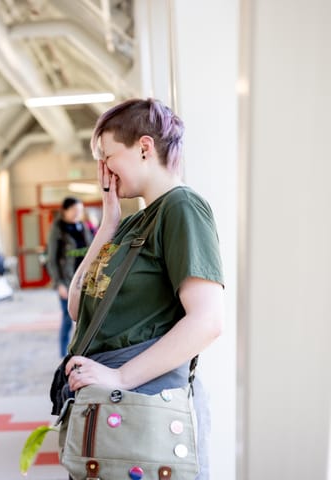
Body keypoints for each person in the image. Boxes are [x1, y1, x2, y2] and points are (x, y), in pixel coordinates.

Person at [64, 98, 224, 480]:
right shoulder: (135, 223)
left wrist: (120, 378)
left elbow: (208, 320)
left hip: (146, 405)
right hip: (123, 406)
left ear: (145, 148)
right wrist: (107, 226)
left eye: (107, 156)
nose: (103, 170)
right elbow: (76, 305)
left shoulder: (181, 207)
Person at [45, 197, 94, 357]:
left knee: (88, 316)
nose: (77, 214)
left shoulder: (83, 226)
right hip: (67, 280)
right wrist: (59, 283)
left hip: (86, 279)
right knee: (68, 317)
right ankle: (64, 354)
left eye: (80, 211)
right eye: (74, 210)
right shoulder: (57, 229)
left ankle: (85, 352)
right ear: (64, 211)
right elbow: (51, 259)